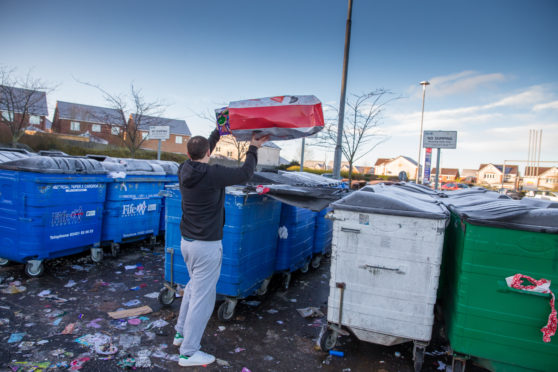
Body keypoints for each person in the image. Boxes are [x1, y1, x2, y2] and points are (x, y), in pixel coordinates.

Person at [173, 128, 269, 367]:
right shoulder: (212, 174)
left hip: (187, 243)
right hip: (206, 246)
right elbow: (246, 173)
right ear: (207, 152)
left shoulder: (183, 168)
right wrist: (254, 147)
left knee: (193, 287)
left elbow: (204, 151)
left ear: (188, 153)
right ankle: (188, 352)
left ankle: (180, 333)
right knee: (202, 300)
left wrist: (218, 131)